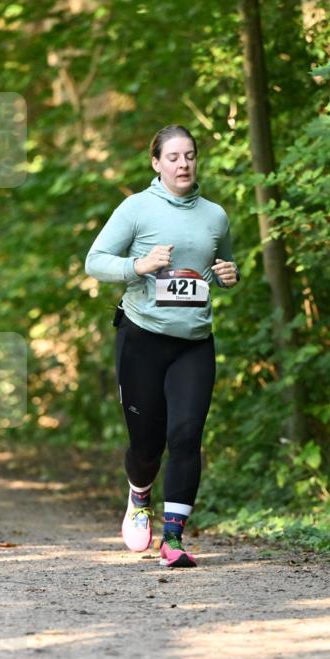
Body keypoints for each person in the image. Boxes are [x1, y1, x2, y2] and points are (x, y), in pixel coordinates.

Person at [85, 125, 239, 568]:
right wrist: (139, 265)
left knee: (187, 434)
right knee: (146, 446)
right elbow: (95, 261)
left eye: (189, 155)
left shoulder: (215, 215)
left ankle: (173, 539)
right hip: (142, 340)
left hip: (193, 343)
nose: (183, 164)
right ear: (156, 163)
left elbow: (223, 266)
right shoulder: (136, 209)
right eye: (173, 157)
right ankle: (139, 495)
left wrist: (230, 275)